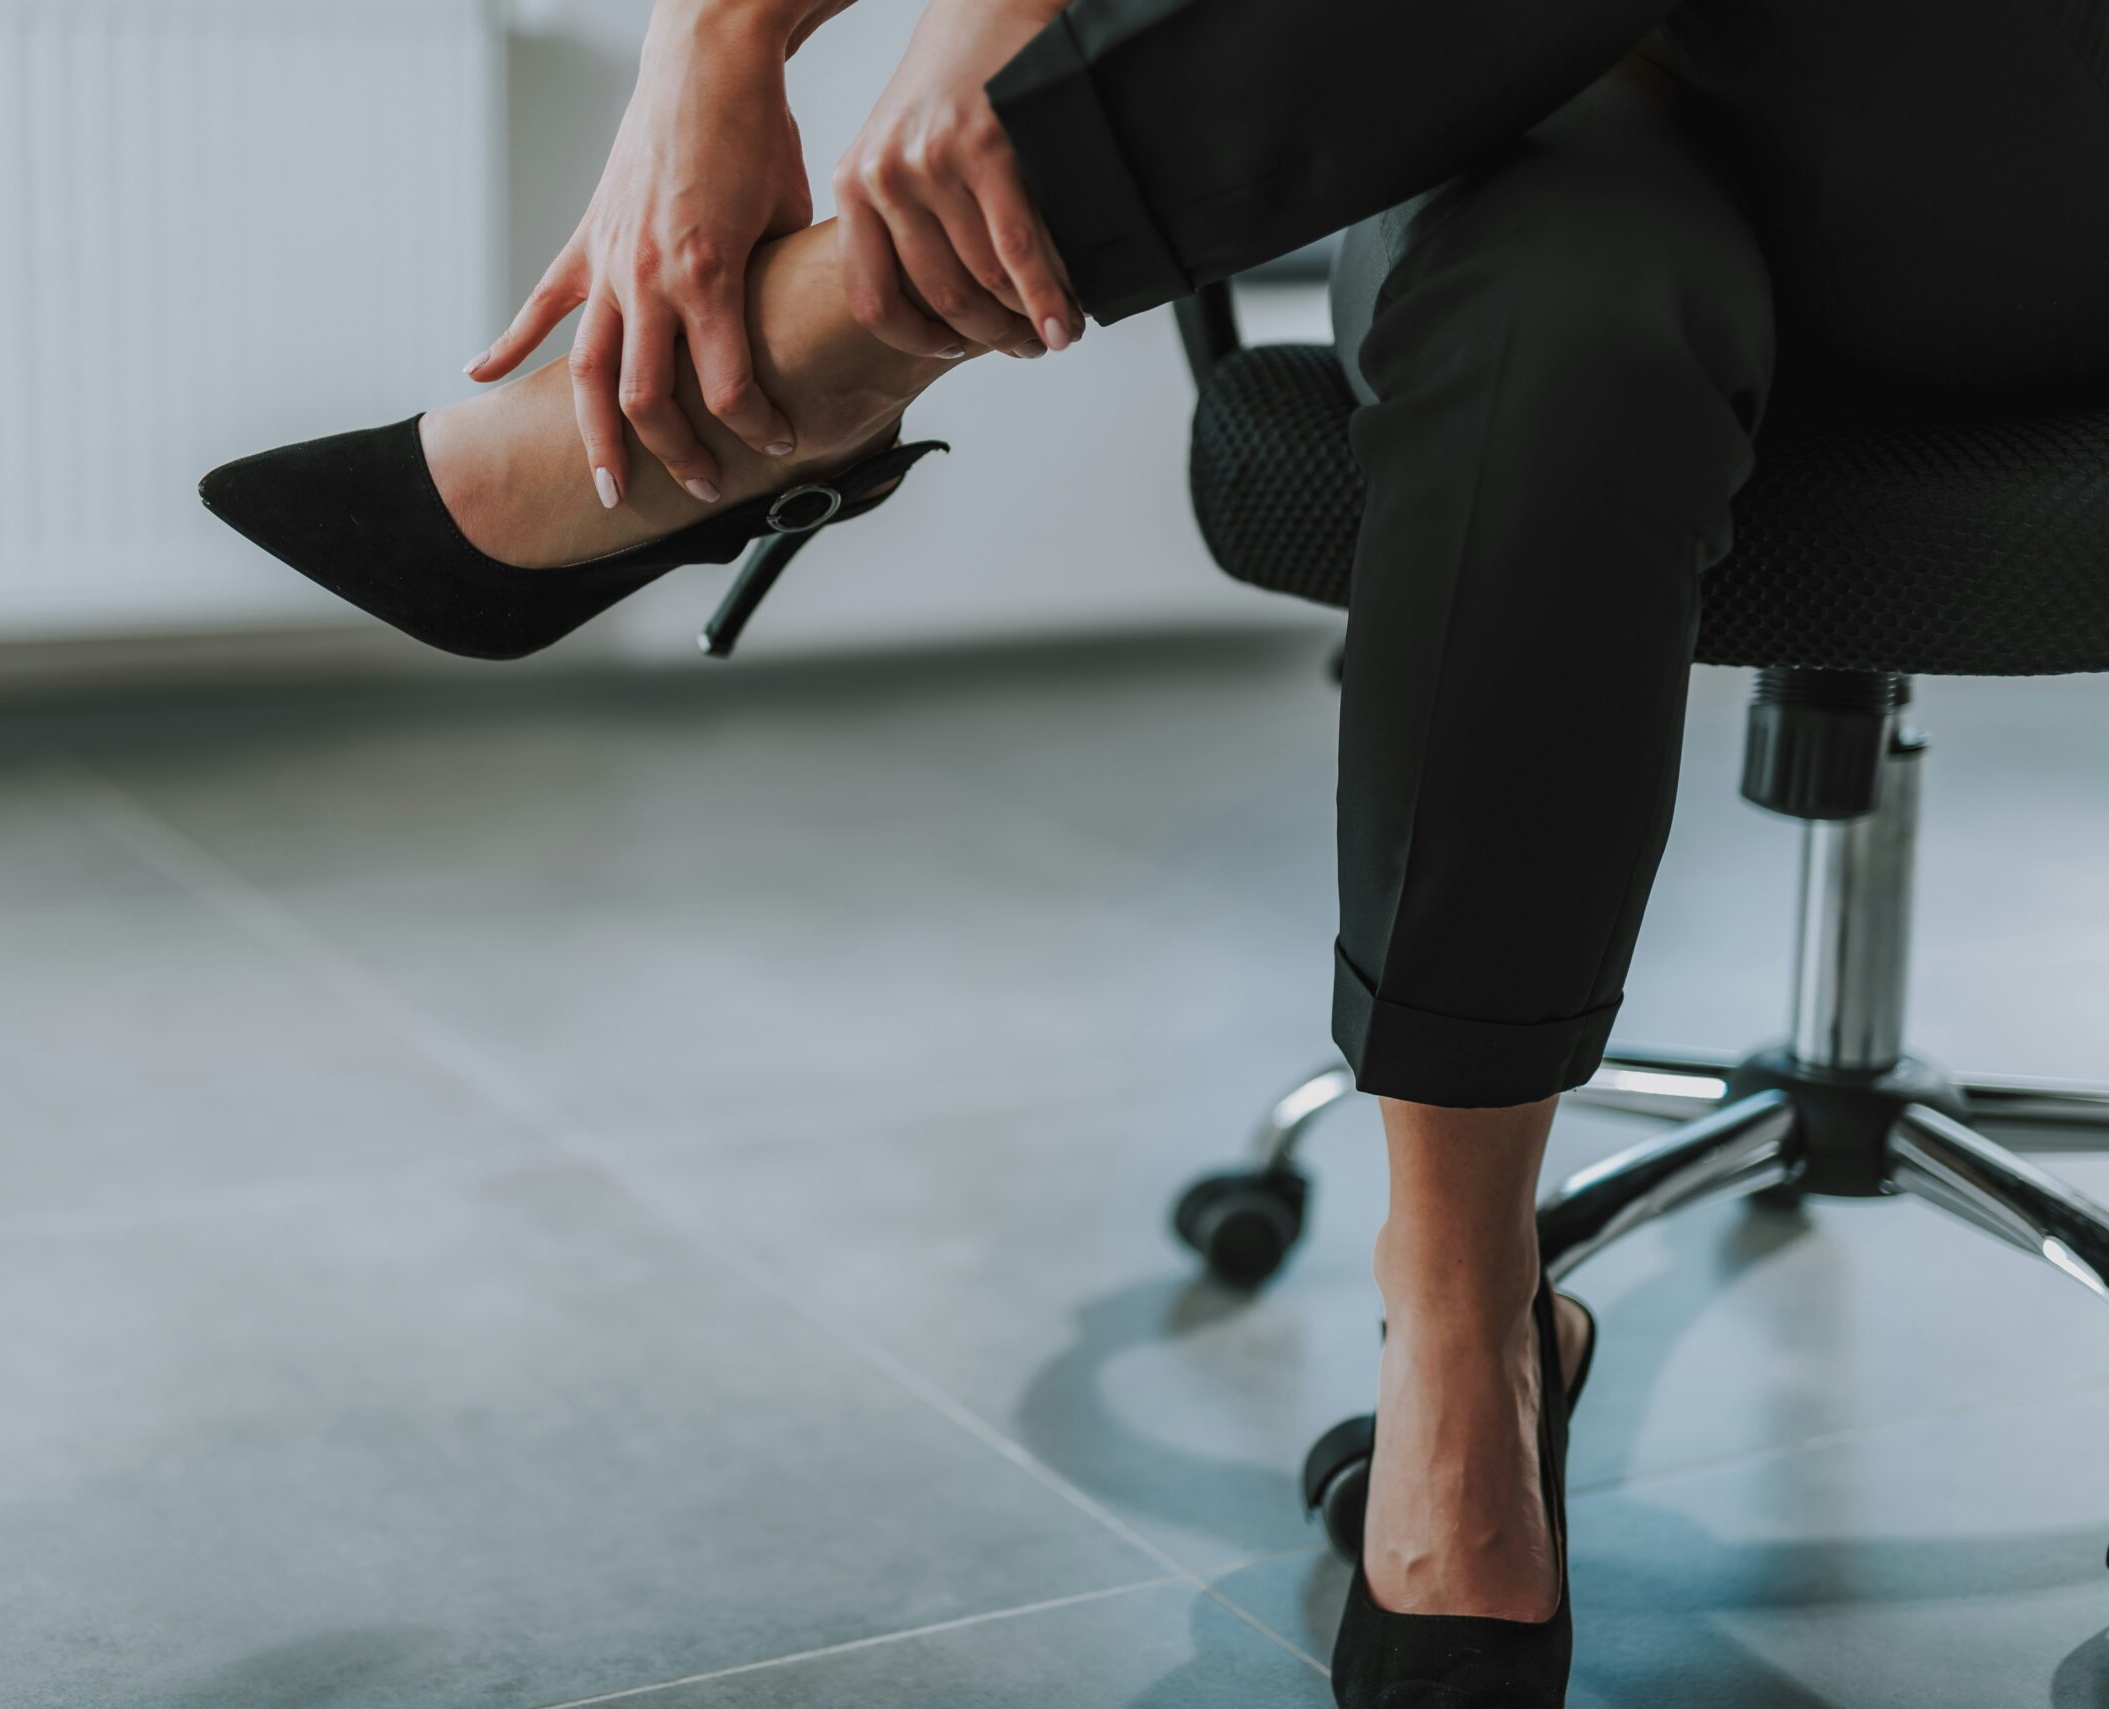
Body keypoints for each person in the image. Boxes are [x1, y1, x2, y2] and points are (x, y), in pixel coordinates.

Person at [199, 1, 2109, 1700]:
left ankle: (814, 347)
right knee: (1555, 305)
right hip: (1537, 117)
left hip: (2010, 162)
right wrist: (720, 34)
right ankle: (1465, 1333)